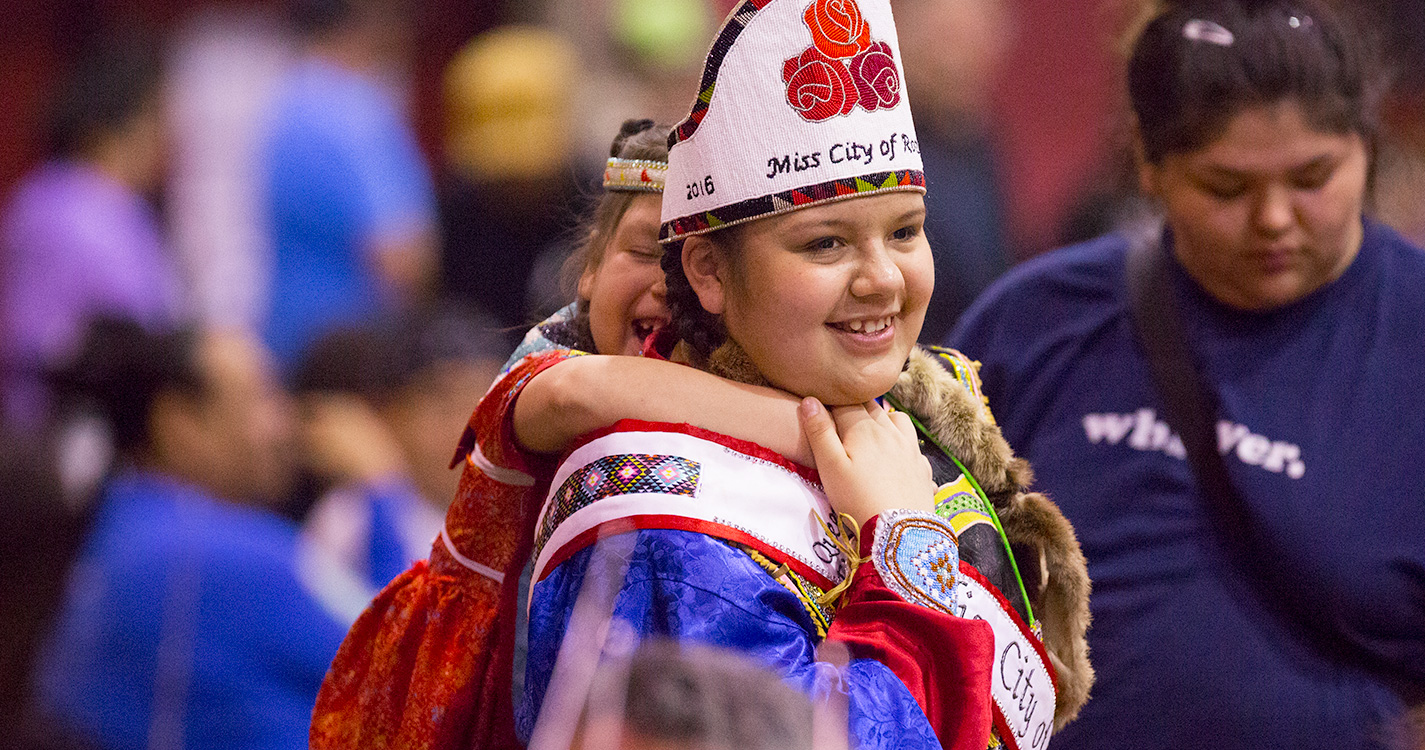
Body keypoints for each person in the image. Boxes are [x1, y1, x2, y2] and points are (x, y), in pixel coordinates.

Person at [314, 3, 1091, 749]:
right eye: (824, 244)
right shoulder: (658, 524)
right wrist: (904, 548)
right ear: (708, 275)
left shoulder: (913, 419)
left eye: (906, 232)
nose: (881, 278)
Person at [948, 1, 1425, 748]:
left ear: (1367, 147)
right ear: (1148, 165)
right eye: (1225, 189)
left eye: (1311, 177)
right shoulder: (1037, 320)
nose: (1273, 218)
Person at [36, 319, 348, 750]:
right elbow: (422, 676)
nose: (286, 424)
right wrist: (383, 491)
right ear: (179, 423)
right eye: (262, 397)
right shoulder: (218, 555)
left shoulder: (126, 524)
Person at [0, 35, 182, 427]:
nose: (166, 142)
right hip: (64, 427)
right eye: (155, 122)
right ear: (109, 128)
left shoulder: (117, 207)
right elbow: (44, 343)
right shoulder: (65, 210)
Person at [259, 0, 438, 370]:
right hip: (354, 353)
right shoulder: (356, 112)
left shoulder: (284, 105)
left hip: (286, 341)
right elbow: (400, 254)